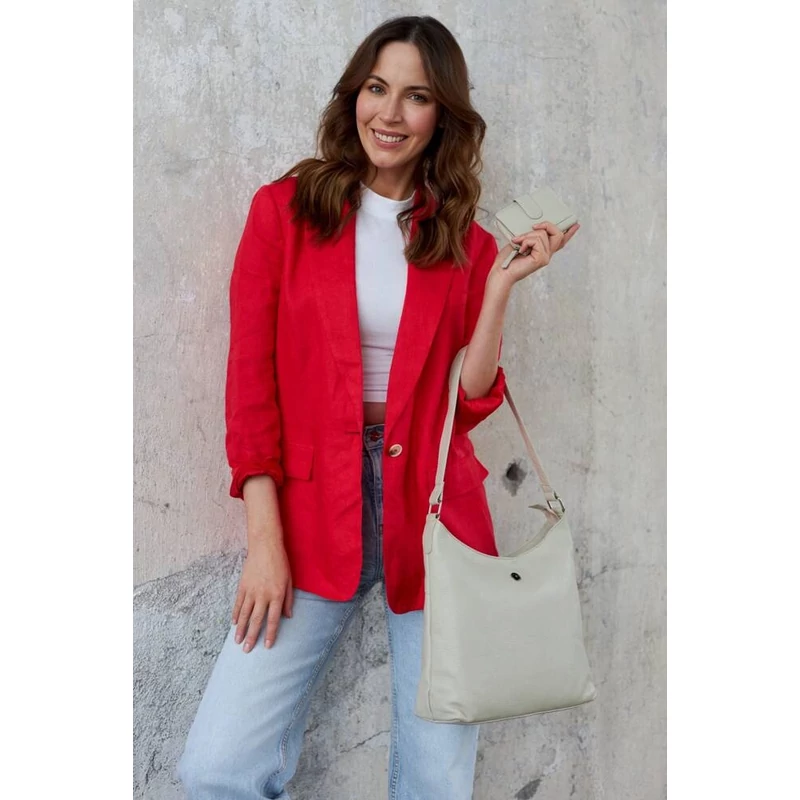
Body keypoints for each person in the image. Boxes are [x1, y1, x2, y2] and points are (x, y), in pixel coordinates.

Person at [176, 14, 579, 800]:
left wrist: (499, 288)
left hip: (435, 513)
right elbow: (249, 386)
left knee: (436, 783)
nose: (390, 114)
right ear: (353, 96)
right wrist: (264, 539)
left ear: (442, 116)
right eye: (376, 88)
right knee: (217, 767)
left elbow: (468, 404)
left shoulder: (466, 242)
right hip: (307, 502)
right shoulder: (284, 212)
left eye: (416, 97)